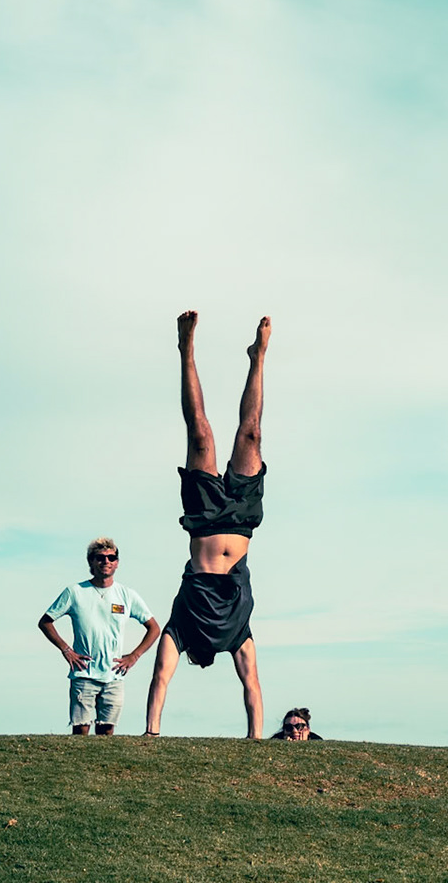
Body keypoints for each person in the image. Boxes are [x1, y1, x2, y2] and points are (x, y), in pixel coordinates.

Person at [145, 311, 272, 738]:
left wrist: (152, 731)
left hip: (202, 518)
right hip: (241, 518)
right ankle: (259, 358)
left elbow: (161, 675)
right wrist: (256, 738)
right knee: (250, 433)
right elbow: (252, 684)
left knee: (200, 433)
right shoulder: (238, 632)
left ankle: (186, 351)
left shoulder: (180, 625)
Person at [38, 538, 161, 734]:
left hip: (114, 674)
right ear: (91, 562)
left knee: (106, 732)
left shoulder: (126, 595)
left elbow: (154, 628)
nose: (106, 562)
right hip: (83, 673)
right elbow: (45, 622)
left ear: (117, 562)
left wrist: (134, 656)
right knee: (81, 729)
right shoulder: (75, 592)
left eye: (111, 557)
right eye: (100, 558)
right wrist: (67, 650)